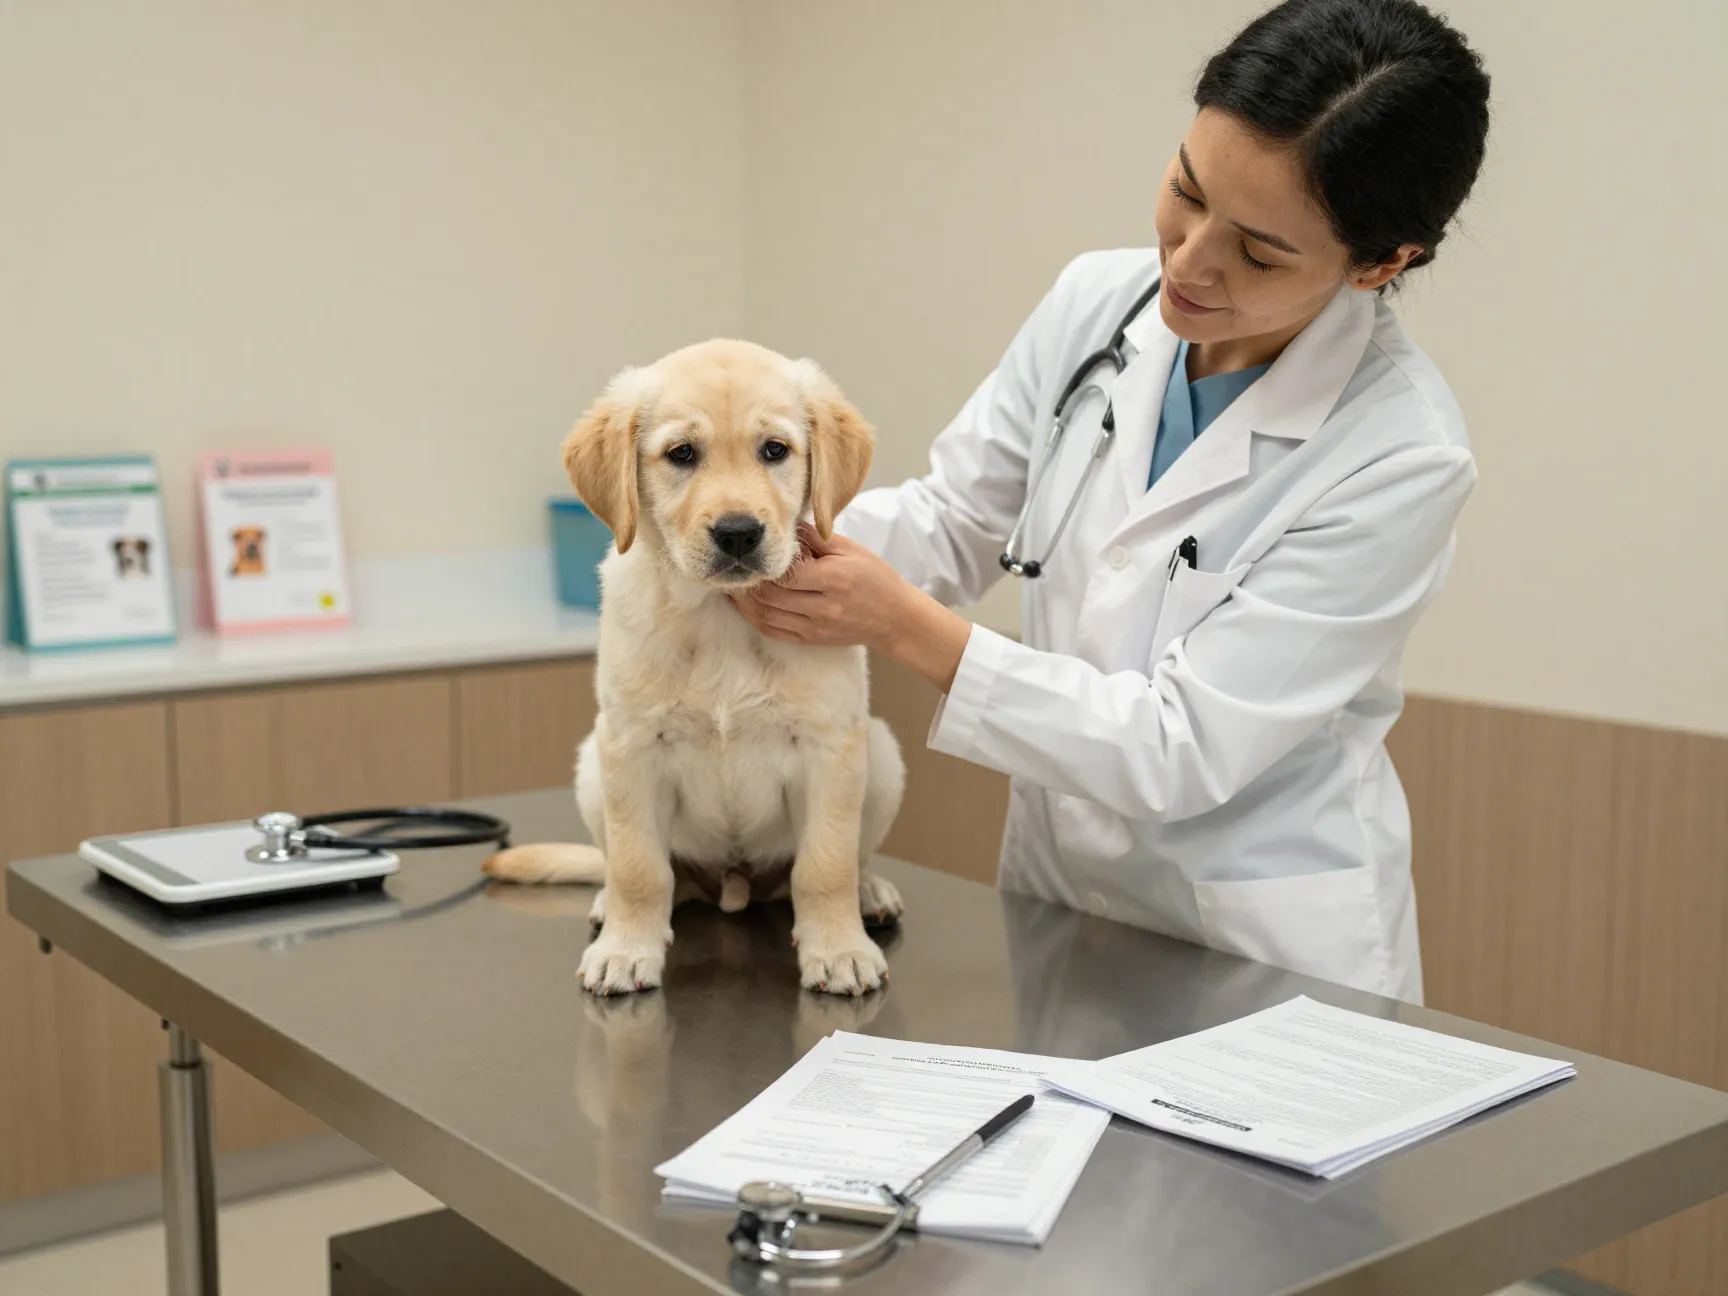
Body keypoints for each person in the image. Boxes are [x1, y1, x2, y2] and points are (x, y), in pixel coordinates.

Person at [732, 0, 1491, 1002]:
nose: (1188, 260)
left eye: (1257, 252)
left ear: (1384, 262)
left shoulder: (1399, 453)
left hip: (1263, 952)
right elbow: (955, 520)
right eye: (1186, 189)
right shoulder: (1100, 303)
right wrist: (760, 535)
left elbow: (1178, 748)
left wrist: (908, 628)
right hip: (1065, 902)